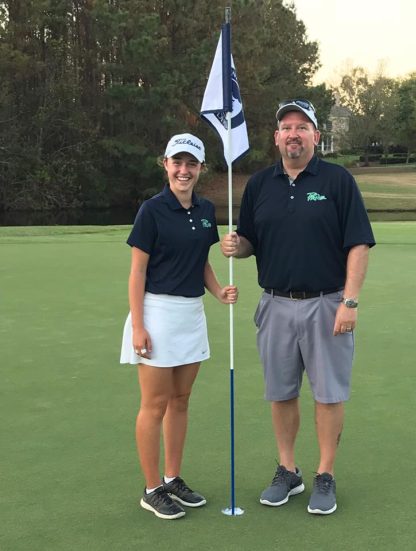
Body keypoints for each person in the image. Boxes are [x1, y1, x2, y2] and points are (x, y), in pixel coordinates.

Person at [221, 100, 375, 515]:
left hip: (327, 303)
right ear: (276, 137)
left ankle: (325, 475)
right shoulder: (259, 185)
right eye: (287, 127)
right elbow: (251, 241)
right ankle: (288, 471)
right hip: (274, 304)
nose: (294, 133)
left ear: (315, 136)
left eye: (302, 126)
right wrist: (237, 245)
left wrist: (350, 301)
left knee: (328, 394)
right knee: (281, 392)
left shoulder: (337, 181)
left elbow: (358, 244)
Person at [120, 133, 237, 520]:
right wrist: (138, 326)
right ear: (166, 164)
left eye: (191, 164)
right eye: (177, 162)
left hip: (191, 314)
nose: (183, 170)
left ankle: (172, 478)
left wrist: (218, 292)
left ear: (201, 168)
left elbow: (201, 261)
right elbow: (137, 272)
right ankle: (151, 488)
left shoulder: (205, 210)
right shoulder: (152, 210)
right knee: (154, 405)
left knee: (181, 400)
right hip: (157, 313)